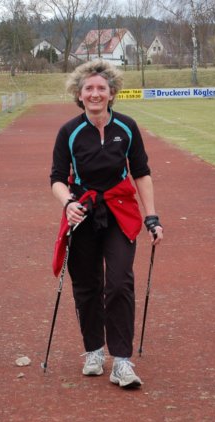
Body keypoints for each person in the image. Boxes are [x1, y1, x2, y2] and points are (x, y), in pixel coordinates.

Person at [50, 59, 163, 389]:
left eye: (102, 88)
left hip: (119, 212)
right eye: (89, 88)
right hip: (82, 213)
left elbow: (141, 173)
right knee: (86, 286)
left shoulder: (126, 127)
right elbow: (57, 178)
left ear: (112, 93)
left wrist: (152, 217)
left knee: (119, 283)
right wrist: (68, 203)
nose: (95, 94)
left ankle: (122, 362)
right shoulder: (69, 132)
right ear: (79, 94)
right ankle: (94, 351)